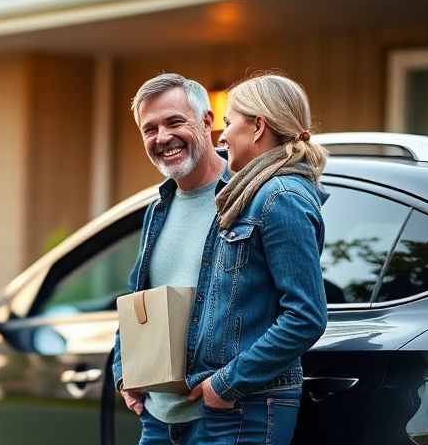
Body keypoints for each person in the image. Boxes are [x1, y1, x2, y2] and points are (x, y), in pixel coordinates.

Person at [184, 73, 329, 444]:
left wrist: (226, 384)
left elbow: (306, 316)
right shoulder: (257, 193)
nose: (222, 135)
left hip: (249, 406)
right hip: (234, 404)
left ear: (259, 126)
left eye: (229, 123)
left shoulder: (281, 197)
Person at [112, 72, 229, 444]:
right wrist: (124, 370)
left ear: (207, 122)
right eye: (150, 129)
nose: (162, 138)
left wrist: (224, 385)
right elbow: (135, 299)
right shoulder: (156, 210)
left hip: (221, 418)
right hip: (157, 420)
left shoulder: (247, 198)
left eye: (175, 121)